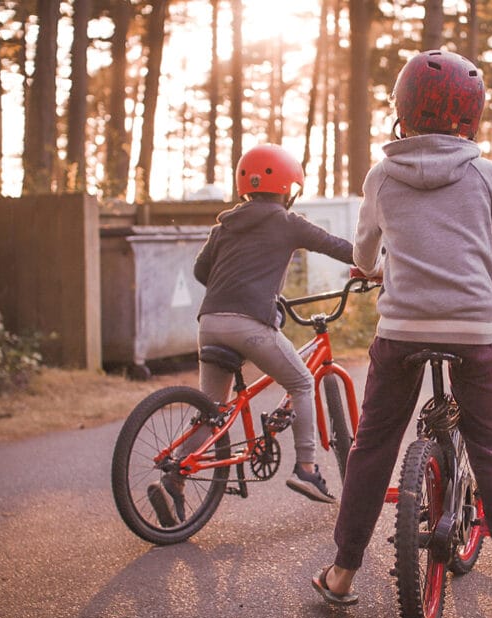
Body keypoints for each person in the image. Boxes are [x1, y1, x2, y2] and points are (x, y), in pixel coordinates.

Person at [310, 50, 492, 618]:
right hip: (473, 329)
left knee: (372, 446)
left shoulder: (381, 175)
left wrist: (375, 267)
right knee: (490, 442)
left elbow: (363, 253)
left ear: (402, 110)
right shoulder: (485, 173)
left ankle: (343, 571)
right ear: (470, 117)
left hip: (401, 331)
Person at [147, 143, 355, 526]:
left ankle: (175, 477)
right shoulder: (287, 222)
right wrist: (373, 264)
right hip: (249, 323)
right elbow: (335, 246)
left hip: (210, 321)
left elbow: (200, 272)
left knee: (212, 410)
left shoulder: (224, 225)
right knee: (303, 381)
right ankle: (307, 469)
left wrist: (239, 284)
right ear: (289, 186)